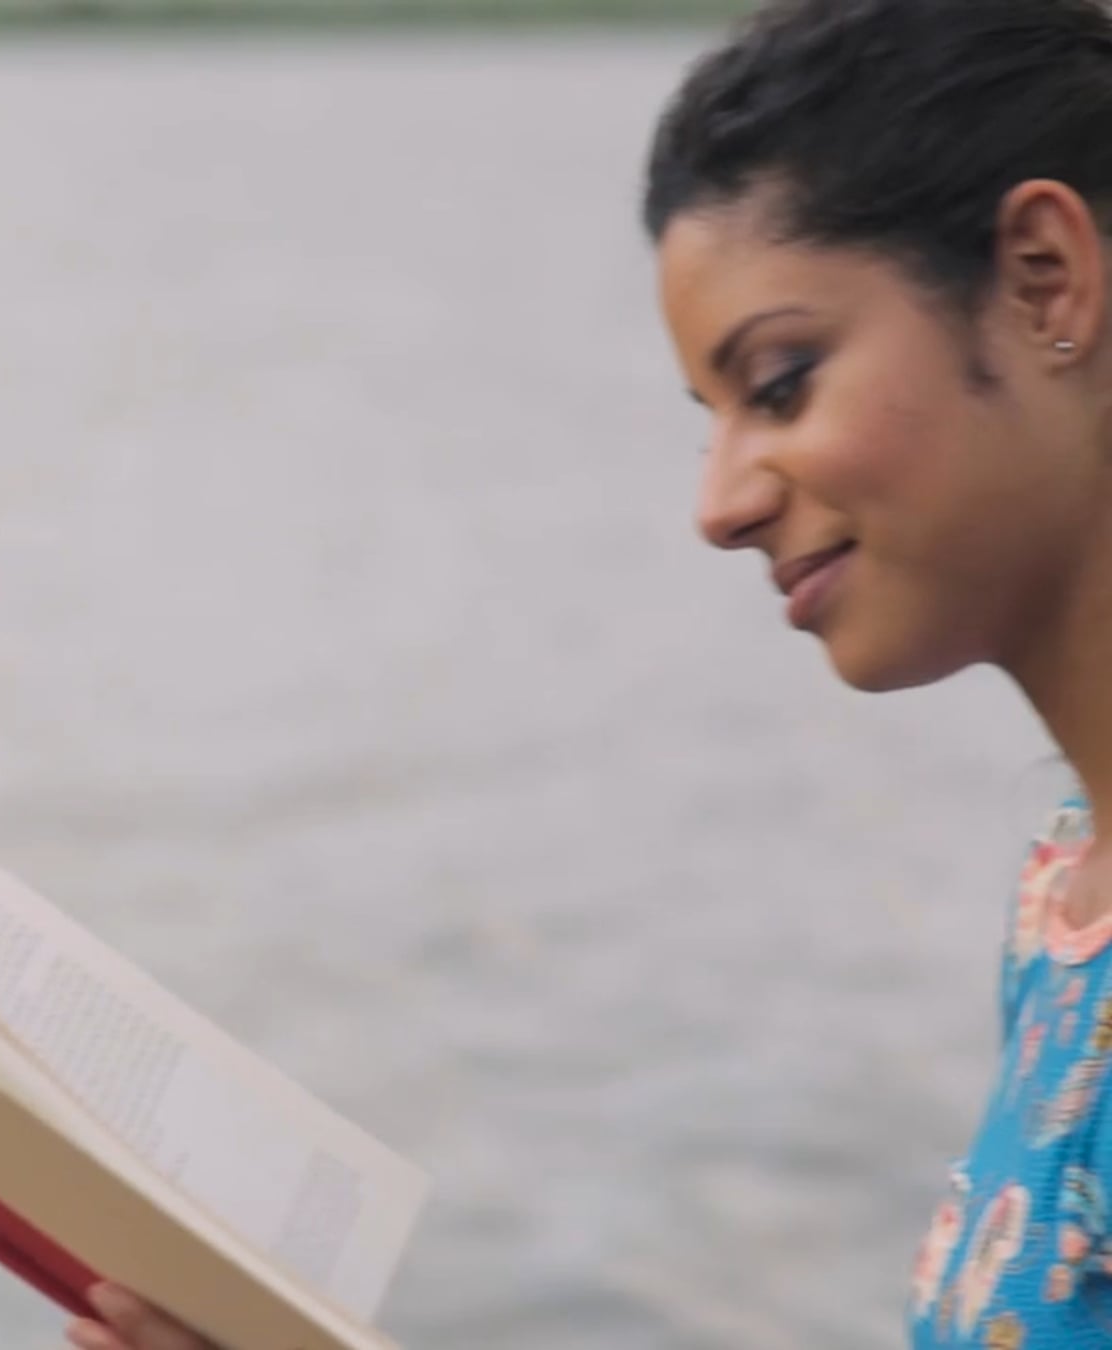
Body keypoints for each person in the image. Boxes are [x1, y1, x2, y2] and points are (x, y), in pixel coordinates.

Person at [64, 0, 1112, 1345]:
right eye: (710, 421)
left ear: (1043, 280)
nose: (721, 504)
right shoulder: (1066, 898)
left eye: (781, 383)